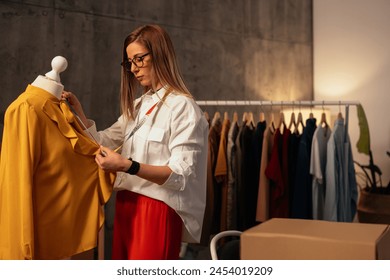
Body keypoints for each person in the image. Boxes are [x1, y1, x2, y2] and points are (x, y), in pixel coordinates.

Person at [63, 24, 209, 260]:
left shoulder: (183, 107)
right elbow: (102, 141)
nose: (133, 69)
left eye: (139, 59)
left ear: (159, 54)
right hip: (126, 205)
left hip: (158, 208)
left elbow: (180, 175)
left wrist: (127, 165)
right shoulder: (142, 104)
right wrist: (77, 111)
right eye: (129, 62)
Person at [0, 57, 114, 259]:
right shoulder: (27, 108)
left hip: (69, 236)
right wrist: (21, 251)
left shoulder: (61, 109)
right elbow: (17, 181)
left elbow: (88, 158)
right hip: (42, 240)